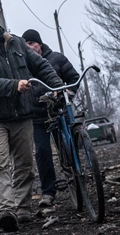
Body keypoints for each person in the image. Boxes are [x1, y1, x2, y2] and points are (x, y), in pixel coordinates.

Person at [0, 8, 64, 232]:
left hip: (21, 114)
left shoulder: (17, 43)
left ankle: (23, 208)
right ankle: (5, 211)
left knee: (25, 163)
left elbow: (41, 65)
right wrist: (13, 86)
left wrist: (56, 86)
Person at [21, 29, 79, 208]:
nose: (30, 47)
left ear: (39, 43)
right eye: (26, 45)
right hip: (38, 116)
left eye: (32, 43)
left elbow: (73, 78)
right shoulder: (23, 65)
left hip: (59, 110)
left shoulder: (56, 58)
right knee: (42, 152)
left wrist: (66, 91)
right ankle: (48, 192)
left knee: (69, 146)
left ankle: (76, 177)